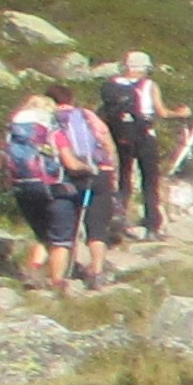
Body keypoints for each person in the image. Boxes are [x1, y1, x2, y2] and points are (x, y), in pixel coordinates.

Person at [0, 93, 78, 293]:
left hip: (23, 188)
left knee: (43, 235)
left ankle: (33, 272)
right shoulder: (52, 130)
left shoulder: (13, 132)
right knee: (61, 238)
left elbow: (2, 161)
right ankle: (57, 281)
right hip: (53, 187)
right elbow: (69, 162)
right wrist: (86, 168)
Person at [52, 86, 119, 287]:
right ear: (72, 98)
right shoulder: (86, 114)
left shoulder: (51, 118)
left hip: (69, 175)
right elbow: (107, 142)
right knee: (97, 225)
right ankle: (97, 271)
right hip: (100, 172)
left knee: (65, 225)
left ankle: (56, 275)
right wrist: (111, 171)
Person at [94, 51, 165, 242]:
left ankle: (118, 218)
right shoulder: (149, 85)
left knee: (123, 179)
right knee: (149, 181)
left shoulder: (111, 86)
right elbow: (162, 112)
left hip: (120, 137)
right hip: (144, 136)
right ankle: (151, 225)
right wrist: (182, 113)